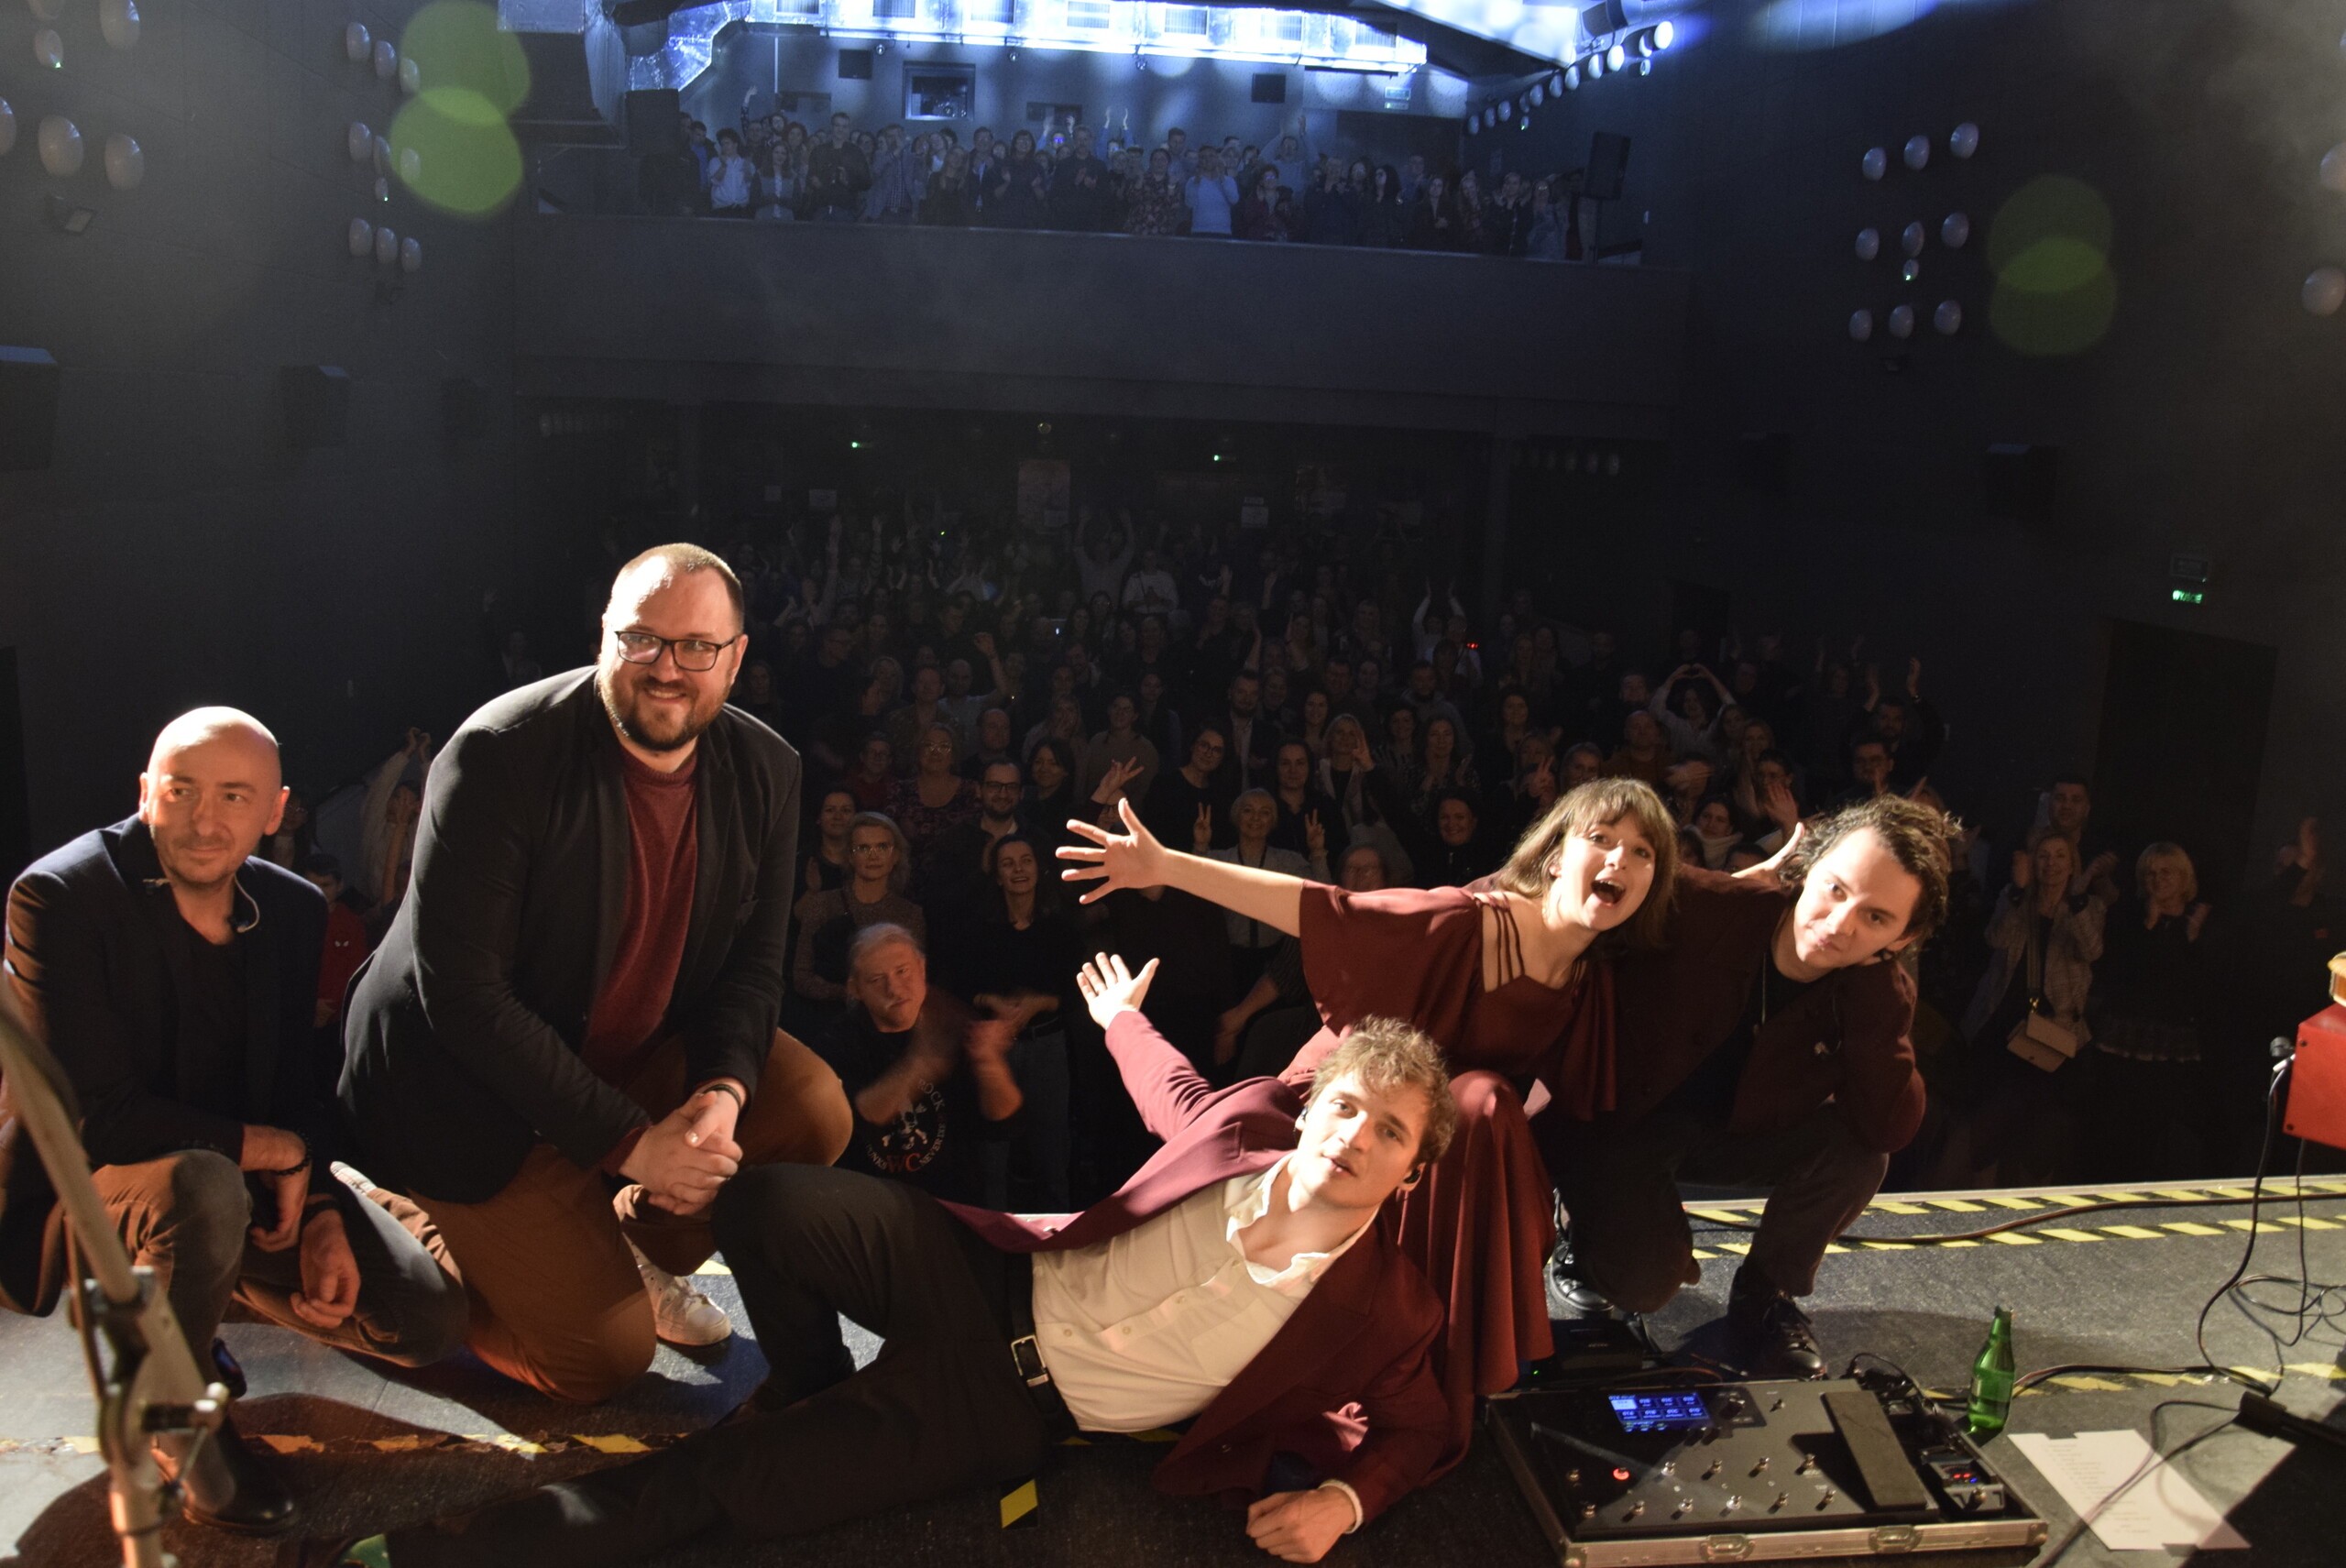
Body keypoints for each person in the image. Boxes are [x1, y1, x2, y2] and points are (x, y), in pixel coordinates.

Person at [293, 956, 1454, 1568]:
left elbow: (1427, 1427)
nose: (1356, 1135)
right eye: (1347, 1107)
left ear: (1411, 1170)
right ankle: (806, 1377)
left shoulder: (1383, 1307)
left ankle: (426, 1554)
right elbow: (1178, 1096)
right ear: (1312, 1109)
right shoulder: (1250, 1124)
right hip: (984, 1273)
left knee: (734, 1488)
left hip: (1003, 1407)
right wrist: (1118, 1023)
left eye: (1390, 1131)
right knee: (763, 1200)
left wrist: (1344, 1502)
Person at [341, 545, 855, 1405]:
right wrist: (635, 1144)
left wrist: (722, 1093)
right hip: (466, 1094)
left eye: (697, 646)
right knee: (598, 1363)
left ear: (736, 658)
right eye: (642, 639)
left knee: (812, 1109)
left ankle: (617, 1248)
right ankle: (392, 1221)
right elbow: (465, 1000)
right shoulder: (498, 754)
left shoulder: (769, 769)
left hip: (611, 1061)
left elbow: (754, 967)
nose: (667, 668)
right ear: (604, 637)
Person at [1059, 779, 1677, 1467]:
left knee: (1485, 1105)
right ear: (1555, 855)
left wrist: (1764, 881)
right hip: (1341, 1120)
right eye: (1601, 839)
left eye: (1641, 851)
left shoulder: (1585, 980)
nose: (1620, 859)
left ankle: (1450, 1366)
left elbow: (1710, 892)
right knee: (1456, 1108)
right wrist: (1165, 875)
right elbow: (1330, 911)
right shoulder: (1467, 921)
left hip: (1432, 1158)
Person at [4, 709, 466, 1533]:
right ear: (145, 791)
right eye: (180, 790)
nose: (204, 820)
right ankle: (172, 1414)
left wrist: (317, 1206)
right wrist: (274, 1150)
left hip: (234, 1184)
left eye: (233, 796)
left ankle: (199, 1293)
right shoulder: (60, 896)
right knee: (207, 1184)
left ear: (276, 810)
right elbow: (94, 1118)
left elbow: (295, 1085)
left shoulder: (291, 907)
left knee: (423, 1315)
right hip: (88, 1180)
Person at [1551, 794, 1947, 1376]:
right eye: (1836, 889)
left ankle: (1766, 1292)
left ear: (1902, 939)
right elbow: (1554, 901)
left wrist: (1873, 994)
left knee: (1859, 1154)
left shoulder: (1876, 993)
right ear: (1808, 867)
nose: (1840, 924)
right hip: (1627, 1123)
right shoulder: (1706, 904)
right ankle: (1578, 1230)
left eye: (1876, 918)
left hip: (1734, 1132)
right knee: (1644, 1282)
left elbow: (1889, 1127)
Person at [825, 925, 1022, 1206]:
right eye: (877, 979)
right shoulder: (838, 1042)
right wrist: (922, 1062)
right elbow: (864, 1116)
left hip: (952, 1205)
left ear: (922, 967)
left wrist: (989, 1064)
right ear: (856, 989)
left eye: (903, 971)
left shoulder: (952, 1021)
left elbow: (1004, 1124)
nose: (894, 988)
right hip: (872, 1207)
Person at [2084, 842, 2213, 1180]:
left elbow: (2196, 986)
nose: (2157, 880)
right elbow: (2119, 974)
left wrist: (2193, 940)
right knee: (2109, 1125)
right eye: (2150, 873)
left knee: (2151, 1131)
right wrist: (2149, 927)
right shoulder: (2130, 916)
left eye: (2166, 872)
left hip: (2168, 1045)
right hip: (2124, 1038)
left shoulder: (2198, 923)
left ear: (2184, 878)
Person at [791, 812, 926, 1006]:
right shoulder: (823, 904)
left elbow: (914, 980)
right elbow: (802, 977)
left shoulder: (909, 914)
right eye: (863, 848)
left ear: (895, 855)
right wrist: (851, 994)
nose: (873, 855)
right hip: (823, 1014)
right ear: (850, 856)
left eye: (882, 847)